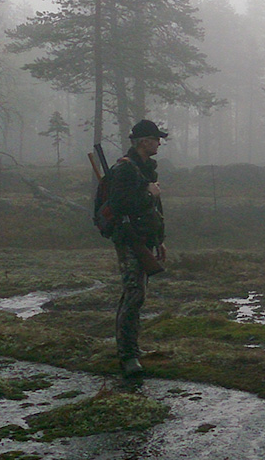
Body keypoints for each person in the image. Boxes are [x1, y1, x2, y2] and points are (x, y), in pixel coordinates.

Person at [108, 119, 169, 378]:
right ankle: (128, 356)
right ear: (144, 141)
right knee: (133, 295)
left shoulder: (144, 169)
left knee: (137, 294)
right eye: (155, 139)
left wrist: (159, 239)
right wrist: (149, 194)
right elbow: (120, 204)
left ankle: (132, 349)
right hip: (130, 239)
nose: (159, 143)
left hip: (144, 238)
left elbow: (153, 210)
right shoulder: (125, 169)